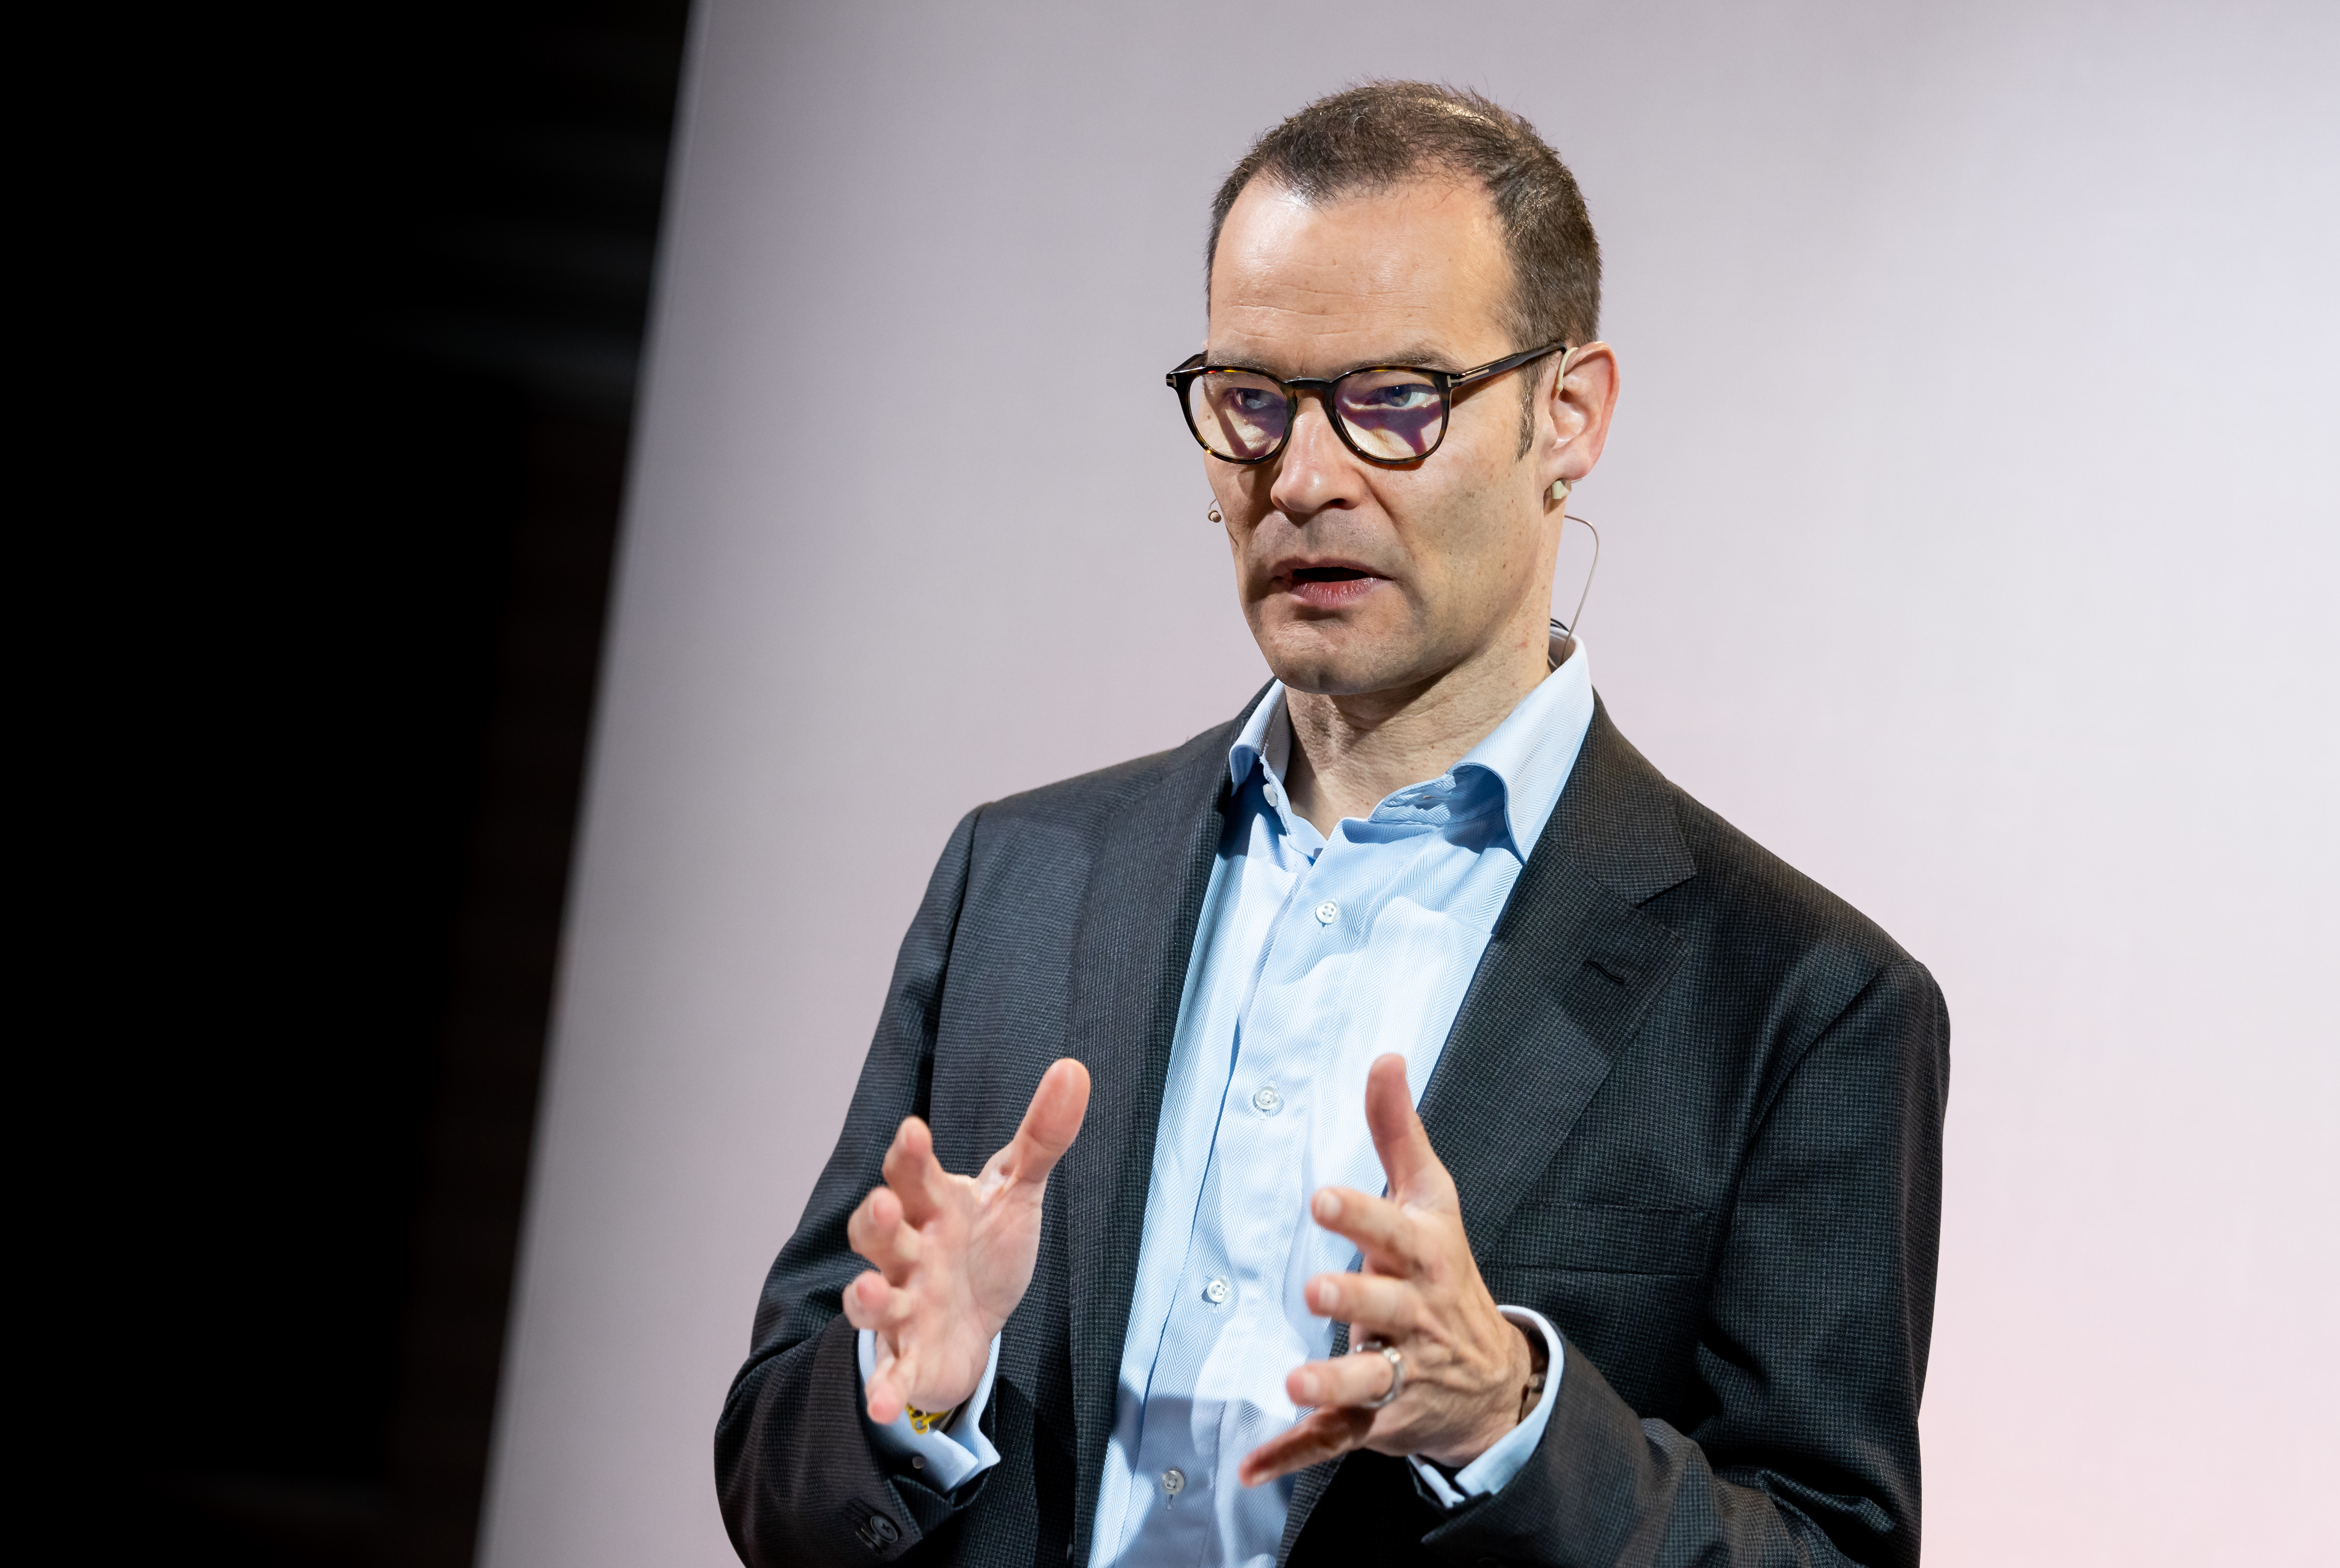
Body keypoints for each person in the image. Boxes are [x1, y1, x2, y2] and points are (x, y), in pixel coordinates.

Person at [714, 82, 1947, 1568]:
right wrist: (913, 1399)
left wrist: (1515, 1422)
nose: (1300, 480)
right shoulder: (1022, 881)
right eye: (1253, 402)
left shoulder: (1799, 1003)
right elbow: (777, 1469)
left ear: (1568, 416)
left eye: (1397, 401)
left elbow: (1826, 1548)